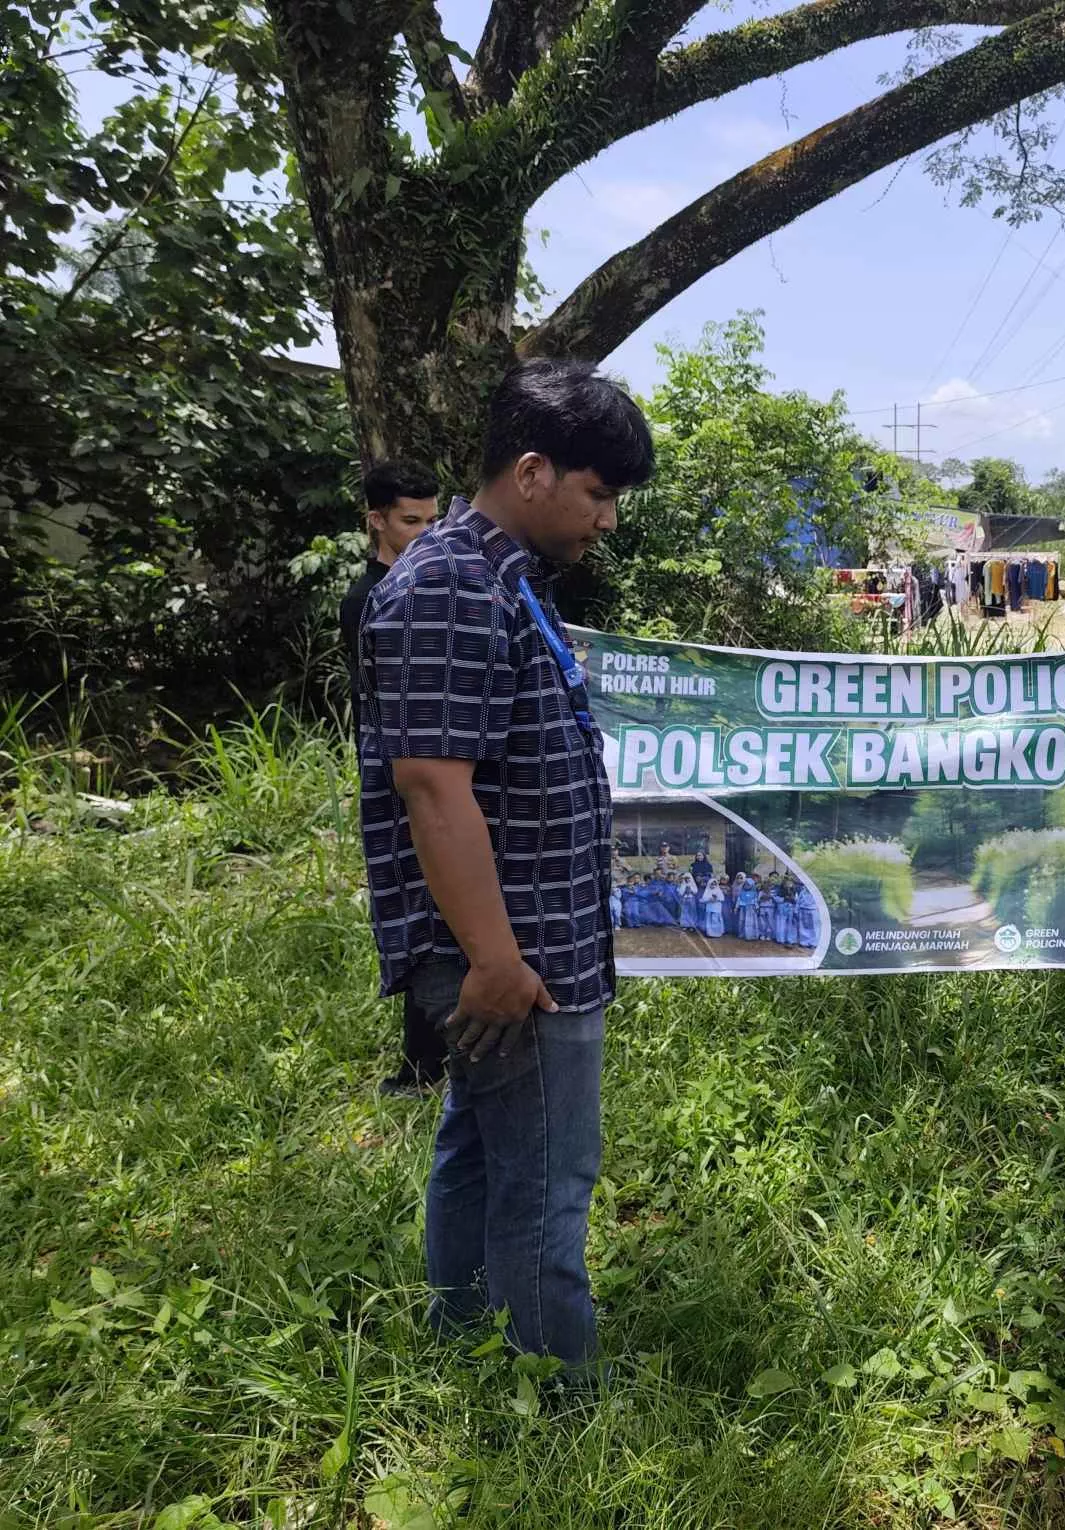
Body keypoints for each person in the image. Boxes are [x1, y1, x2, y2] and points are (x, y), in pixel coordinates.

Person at [358, 358, 653, 1369]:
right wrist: (492, 960)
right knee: (545, 1184)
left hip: (533, 944)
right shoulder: (448, 584)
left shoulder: (502, 580)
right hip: (513, 959)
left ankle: (463, 1347)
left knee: (481, 1152)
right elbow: (434, 789)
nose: (607, 519)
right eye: (598, 492)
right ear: (534, 471)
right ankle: (555, 1410)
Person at [339, 459, 446, 1097]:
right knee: (422, 912)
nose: (427, 534)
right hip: (402, 778)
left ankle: (430, 1062)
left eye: (435, 520)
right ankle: (421, 1068)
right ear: (376, 520)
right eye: (412, 522)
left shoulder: (424, 582)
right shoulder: (372, 599)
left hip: (429, 773)